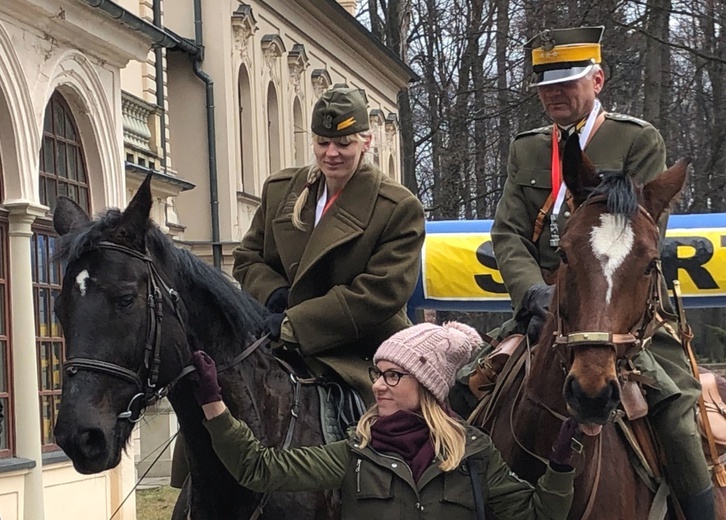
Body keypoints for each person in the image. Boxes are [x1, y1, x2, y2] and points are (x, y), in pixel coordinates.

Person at [487, 26, 714, 518]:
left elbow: (641, 237)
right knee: (466, 384)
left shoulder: (636, 140)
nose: (554, 94)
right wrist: (532, 293)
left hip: (620, 309)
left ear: (598, 80)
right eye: (546, 85)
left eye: (567, 82)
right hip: (545, 307)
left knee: (675, 412)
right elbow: (508, 234)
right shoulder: (527, 149)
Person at [190, 322, 579, 519]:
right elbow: (259, 468)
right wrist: (213, 405)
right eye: (377, 374)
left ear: (427, 385)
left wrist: (560, 466)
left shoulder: (473, 453)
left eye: (393, 375)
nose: (378, 386)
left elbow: (538, 515)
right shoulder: (355, 454)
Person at [232, 86, 425, 406]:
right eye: (323, 142)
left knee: (376, 431)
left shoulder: (397, 207)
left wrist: (296, 324)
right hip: (272, 336)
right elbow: (247, 257)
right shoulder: (281, 191)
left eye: (343, 143)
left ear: (366, 142)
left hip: (361, 351)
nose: (331, 153)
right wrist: (273, 293)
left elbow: (379, 293)